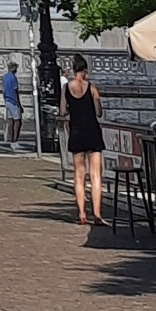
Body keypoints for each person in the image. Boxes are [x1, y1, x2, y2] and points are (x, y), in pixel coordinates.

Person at [60, 55, 106, 225]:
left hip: (77, 132)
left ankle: (81, 213)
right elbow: (99, 112)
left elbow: (63, 111)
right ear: (85, 71)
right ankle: (97, 214)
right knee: (96, 175)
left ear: (73, 70)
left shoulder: (66, 89)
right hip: (92, 132)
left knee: (79, 175)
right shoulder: (92, 88)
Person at [2, 61, 23, 147]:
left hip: (7, 100)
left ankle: (11, 139)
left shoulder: (5, 77)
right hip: (13, 101)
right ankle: (15, 140)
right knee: (17, 121)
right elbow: (15, 91)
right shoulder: (13, 78)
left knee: (11, 120)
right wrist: (19, 104)